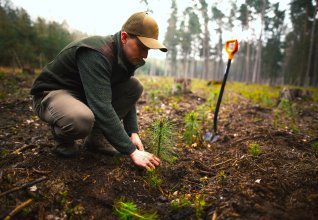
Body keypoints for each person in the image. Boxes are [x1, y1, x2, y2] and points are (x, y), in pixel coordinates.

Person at [30, 12, 167, 170]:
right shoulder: (97, 53)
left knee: (134, 86)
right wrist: (132, 151)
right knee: (81, 120)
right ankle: (63, 137)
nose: (145, 55)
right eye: (142, 47)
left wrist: (133, 132)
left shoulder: (124, 57)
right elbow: (101, 105)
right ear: (124, 37)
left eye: (148, 49)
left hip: (83, 95)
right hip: (52, 94)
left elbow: (125, 95)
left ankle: (96, 139)